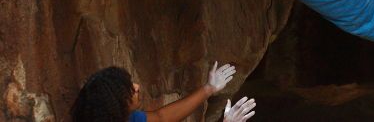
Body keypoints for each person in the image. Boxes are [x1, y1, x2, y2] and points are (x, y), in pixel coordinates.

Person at [71, 61, 255, 122]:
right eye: (129, 89)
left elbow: (160, 117)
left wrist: (209, 89)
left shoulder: (127, 118)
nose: (136, 86)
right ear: (117, 105)